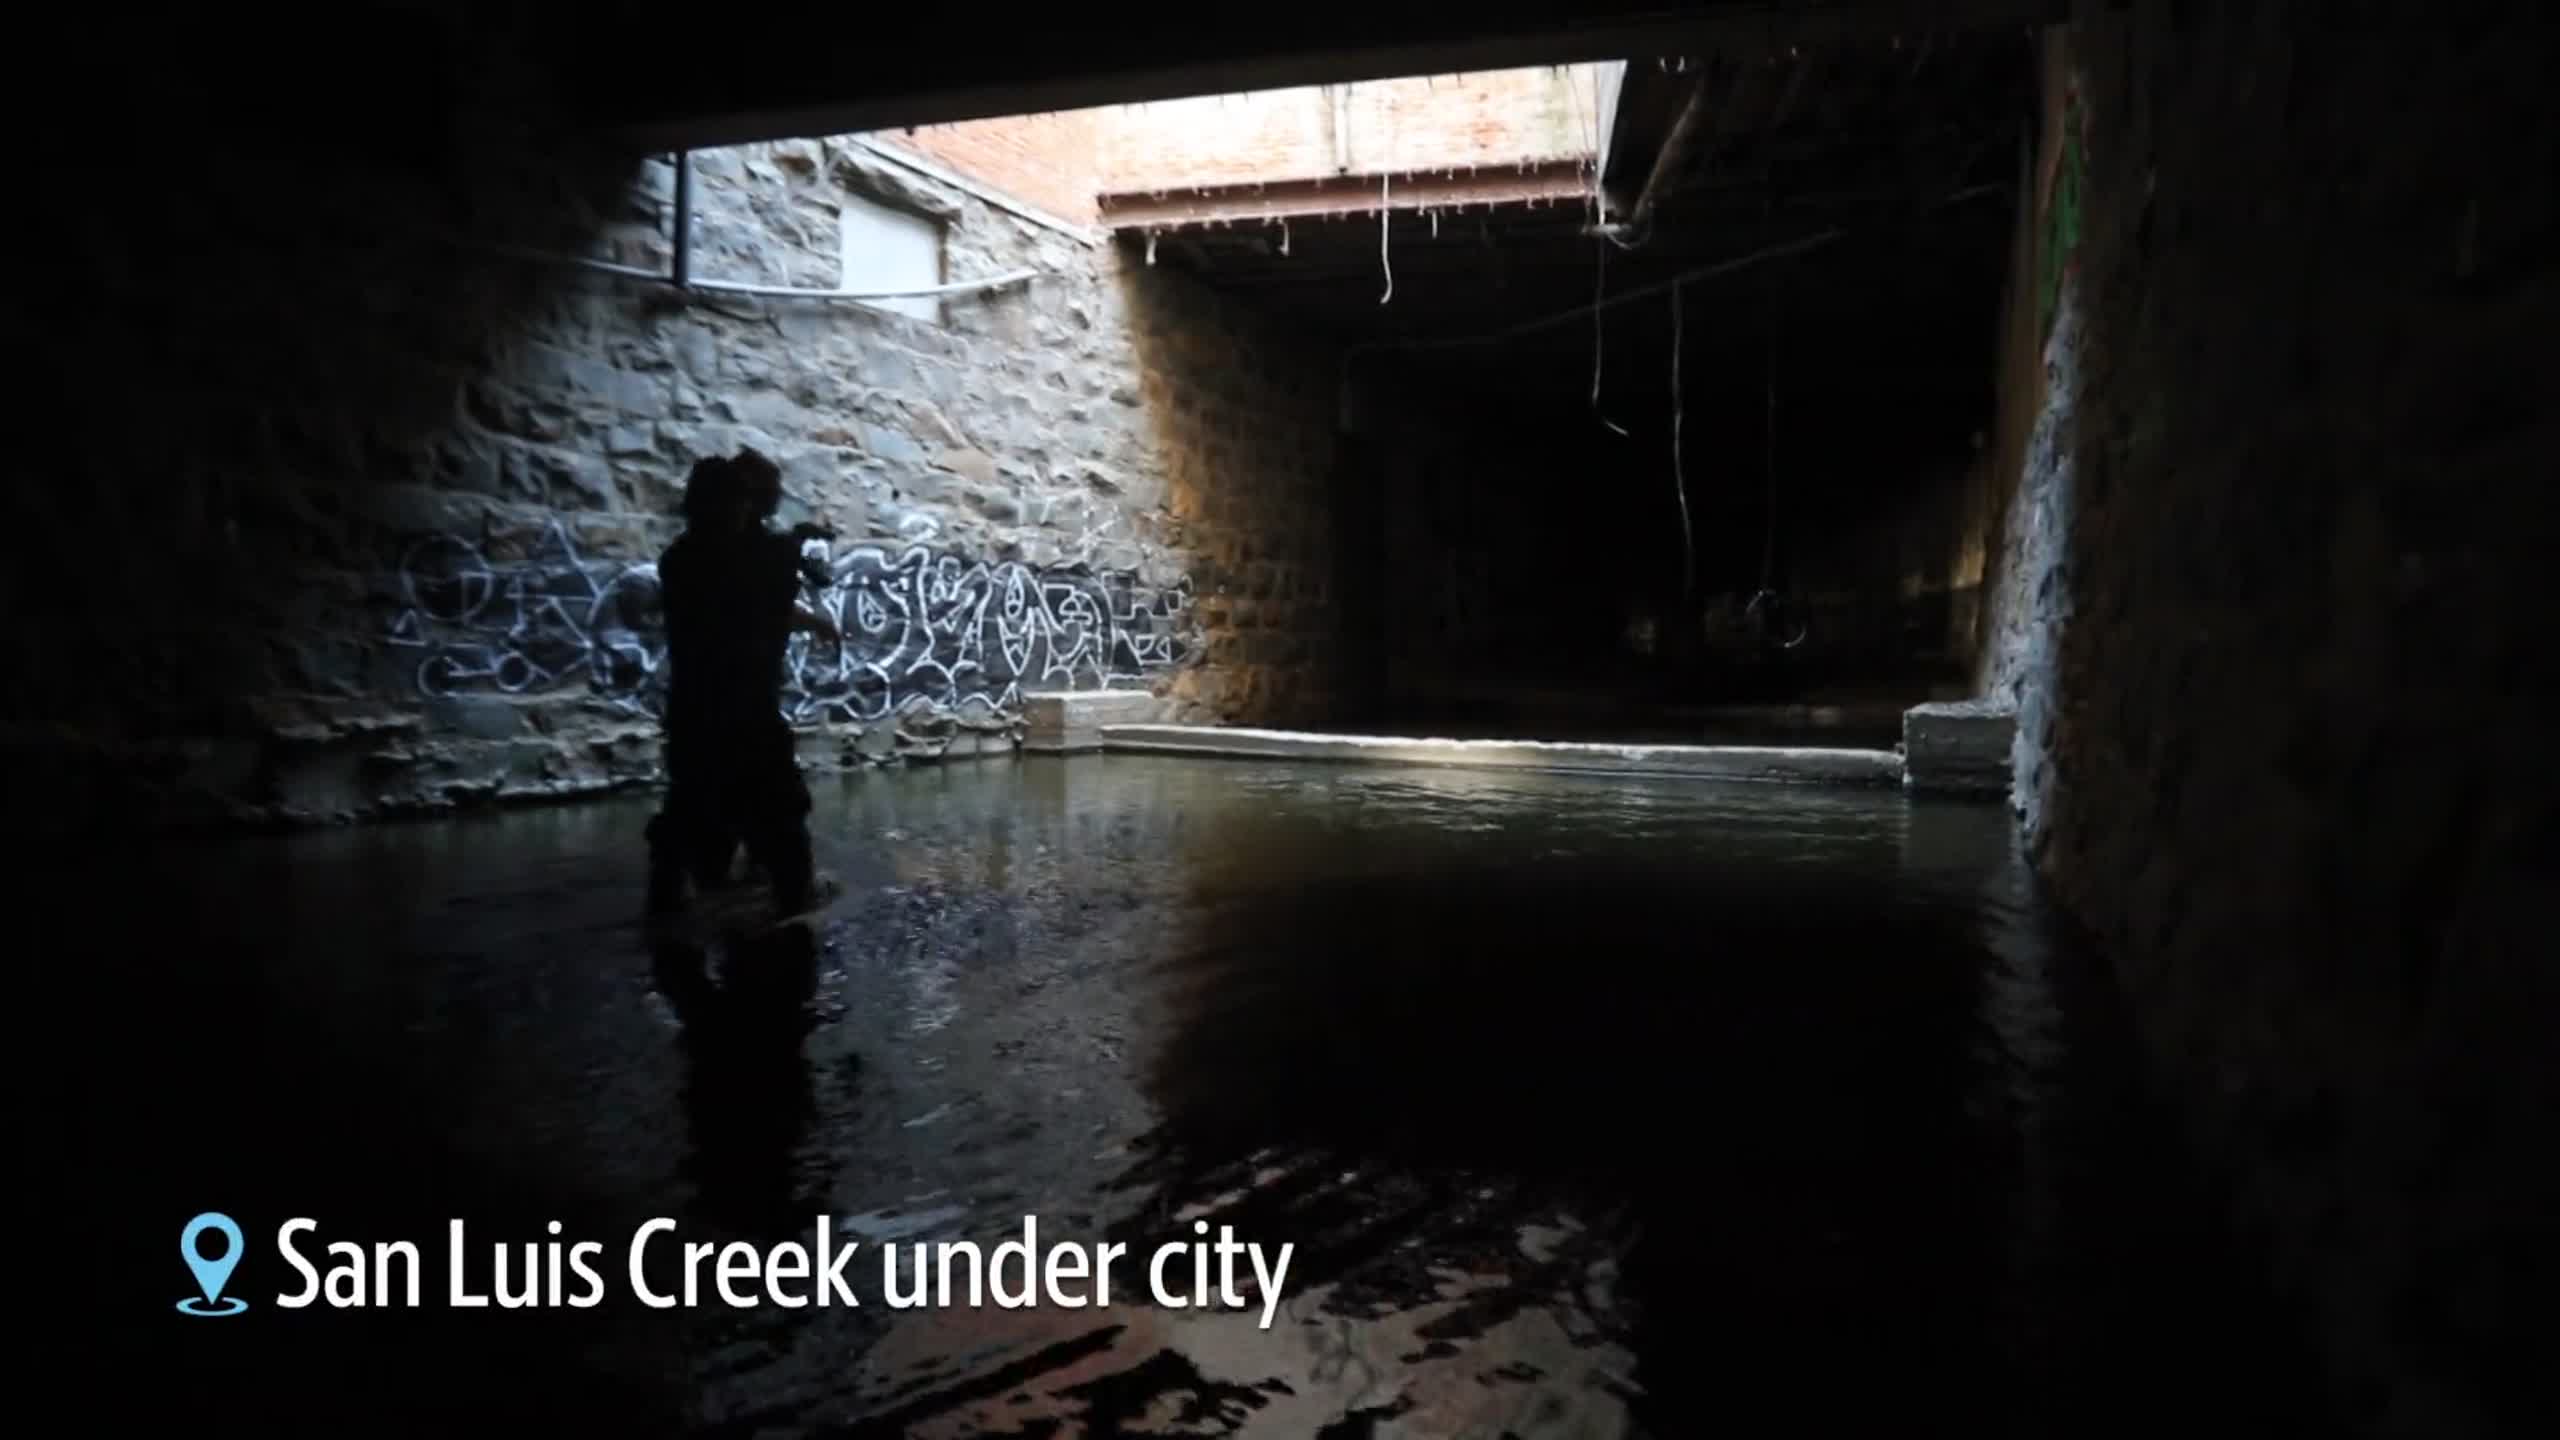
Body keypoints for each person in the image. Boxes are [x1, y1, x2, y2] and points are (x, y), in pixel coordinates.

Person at [645, 448, 840, 919]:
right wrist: (793, 546)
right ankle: (791, 912)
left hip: (696, 711)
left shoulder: (682, 558)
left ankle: (676, 910)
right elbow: (753, 595)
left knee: (693, 812)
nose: (750, 511)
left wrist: (808, 610)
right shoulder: (748, 559)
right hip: (742, 711)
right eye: (746, 501)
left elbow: (752, 601)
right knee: (779, 814)